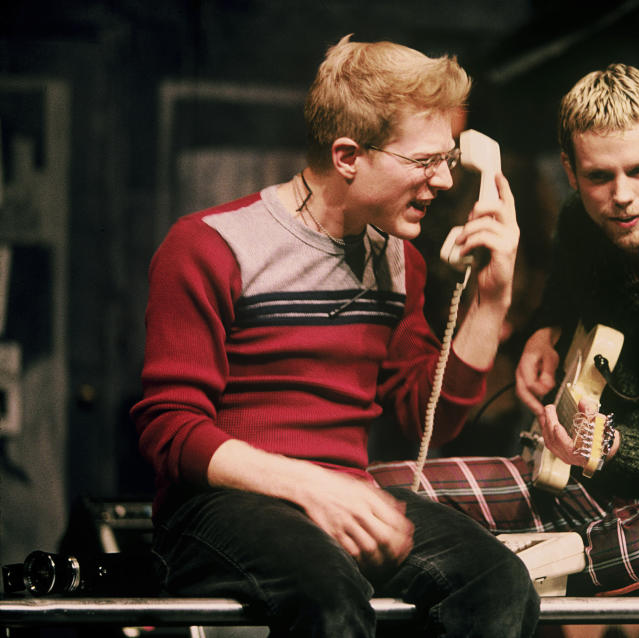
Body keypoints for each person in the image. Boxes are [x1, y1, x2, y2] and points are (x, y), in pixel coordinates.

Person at [131, 35, 538, 637]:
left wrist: (493, 300)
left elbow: (428, 419)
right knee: (328, 595)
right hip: (219, 507)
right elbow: (170, 426)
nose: (446, 181)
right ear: (348, 156)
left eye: (449, 158)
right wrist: (309, 484)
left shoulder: (401, 261)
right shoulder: (208, 247)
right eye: (426, 161)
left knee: (499, 584)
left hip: (343, 493)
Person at [371, 63, 639, 595]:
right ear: (571, 171)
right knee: (383, 492)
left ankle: (492, 571)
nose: (620, 195)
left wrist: (617, 447)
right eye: (599, 177)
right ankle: (518, 566)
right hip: (590, 491)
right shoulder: (583, 222)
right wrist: (544, 329)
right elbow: (563, 298)